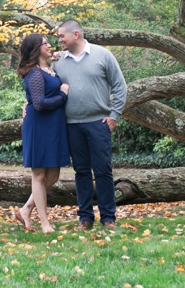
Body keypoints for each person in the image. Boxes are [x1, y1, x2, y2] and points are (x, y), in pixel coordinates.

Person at [53, 20, 126, 230]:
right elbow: (43, 81)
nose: (59, 40)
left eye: (61, 36)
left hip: (98, 123)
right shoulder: (59, 61)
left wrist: (115, 114)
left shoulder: (102, 55)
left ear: (75, 34)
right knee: (81, 172)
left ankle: (108, 217)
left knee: (103, 170)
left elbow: (119, 85)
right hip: (71, 125)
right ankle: (85, 218)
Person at [14, 32, 70, 234]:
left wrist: (56, 56)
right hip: (39, 126)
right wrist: (63, 95)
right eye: (45, 43)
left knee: (53, 174)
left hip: (53, 126)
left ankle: (26, 209)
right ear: (36, 49)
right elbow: (38, 104)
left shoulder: (48, 68)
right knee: (39, 175)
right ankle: (45, 222)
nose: (50, 45)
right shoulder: (35, 73)